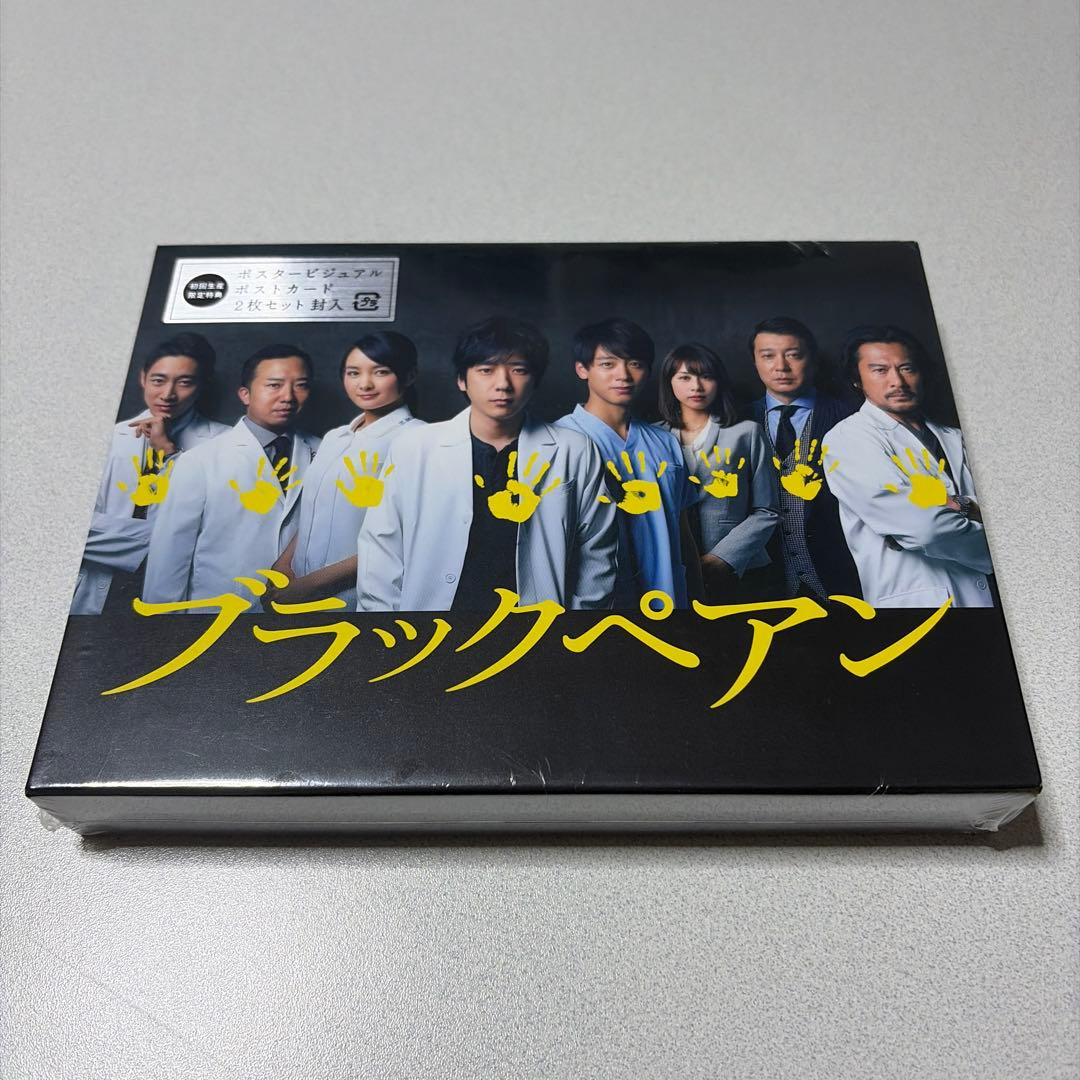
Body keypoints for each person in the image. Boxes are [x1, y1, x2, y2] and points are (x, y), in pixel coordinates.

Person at [357, 316, 616, 611]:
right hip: (431, 624)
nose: (503, 384)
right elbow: (382, 547)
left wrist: (578, 624)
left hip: (538, 624)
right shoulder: (414, 447)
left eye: (518, 370)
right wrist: (388, 626)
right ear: (462, 379)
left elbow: (597, 550)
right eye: (486, 370)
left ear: (535, 380)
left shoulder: (575, 449)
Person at [822, 325, 993, 608]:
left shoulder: (955, 436)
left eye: (907, 368)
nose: (897, 381)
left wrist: (960, 504)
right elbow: (926, 528)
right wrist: (998, 541)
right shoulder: (848, 438)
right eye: (880, 370)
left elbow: (1012, 513)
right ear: (857, 380)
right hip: (921, 604)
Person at [143, 344, 320, 608]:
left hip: (300, 612)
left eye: (301, 386)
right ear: (245, 394)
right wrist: (164, 627)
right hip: (217, 614)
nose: (288, 397)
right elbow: (169, 555)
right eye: (274, 385)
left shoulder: (326, 453)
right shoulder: (199, 460)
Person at [71, 332, 229, 614]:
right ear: (143, 378)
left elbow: (218, 526)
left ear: (202, 385)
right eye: (158, 380)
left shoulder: (225, 443)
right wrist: (171, 541)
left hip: (178, 594)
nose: (167, 394)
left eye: (184, 382)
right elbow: (67, 527)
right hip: (95, 591)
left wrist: (169, 452)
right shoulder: (105, 437)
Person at [269, 332, 424, 606]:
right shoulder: (336, 437)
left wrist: (313, 585)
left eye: (381, 372)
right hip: (298, 590)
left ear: (409, 376)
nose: (364, 384)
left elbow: (407, 538)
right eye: (353, 373)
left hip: (361, 596)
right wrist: (283, 566)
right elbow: (313, 510)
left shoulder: (418, 439)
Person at [556, 317, 697, 608]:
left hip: (670, 605)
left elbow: (683, 534)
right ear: (582, 369)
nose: (623, 375)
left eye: (635, 364)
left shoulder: (666, 442)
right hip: (593, 611)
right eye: (608, 364)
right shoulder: (557, 441)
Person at [747, 315, 861, 599]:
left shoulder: (851, 416)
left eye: (793, 355)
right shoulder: (738, 420)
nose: (781, 367)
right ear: (755, 362)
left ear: (813, 360)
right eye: (768, 356)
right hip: (767, 583)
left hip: (843, 575)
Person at [655, 343, 779, 601]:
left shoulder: (746, 433)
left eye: (706, 376)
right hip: (672, 570)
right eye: (685, 378)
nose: (696, 386)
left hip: (740, 569)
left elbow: (767, 509)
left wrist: (724, 556)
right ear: (669, 382)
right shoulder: (654, 437)